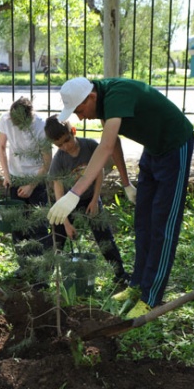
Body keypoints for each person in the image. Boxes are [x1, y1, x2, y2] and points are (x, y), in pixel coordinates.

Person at [48, 77, 194, 319]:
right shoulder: (102, 101)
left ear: (91, 97)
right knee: (142, 222)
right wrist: (127, 184)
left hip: (174, 146)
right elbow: (114, 142)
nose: (81, 118)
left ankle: (151, 297)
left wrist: (75, 192)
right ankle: (137, 285)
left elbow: (105, 147)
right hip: (153, 150)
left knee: (163, 224)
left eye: (80, 110)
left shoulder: (116, 96)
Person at [44, 115, 131, 285]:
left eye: (67, 140)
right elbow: (58, 190)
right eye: (59, 145)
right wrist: (66, 223)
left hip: (90, 197)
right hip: (67, 203)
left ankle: (120, 274)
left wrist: (95, 199)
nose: (65, 147)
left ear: (73, 131)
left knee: (104, 236)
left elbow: (99, 172)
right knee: (56, 239)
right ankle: (44, 278)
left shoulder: (90, 146)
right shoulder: (59, 159)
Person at [0, 97, 53, 281]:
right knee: (17, 226)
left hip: (36, 179)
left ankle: (40, 269)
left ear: (30, 116)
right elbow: (1, 147)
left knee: (38, 226)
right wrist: (6, 175)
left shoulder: (41, 126)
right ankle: (24, 266)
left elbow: (47, 161)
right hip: (15, 178)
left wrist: (31, 186)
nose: (17, 126)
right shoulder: (6, 120)